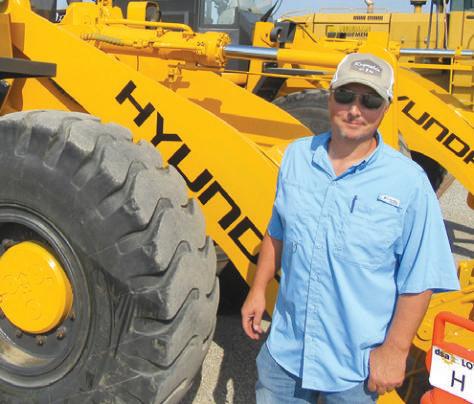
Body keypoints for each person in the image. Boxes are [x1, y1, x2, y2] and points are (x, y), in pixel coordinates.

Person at [241, 53, 460, 403]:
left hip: (354, 366)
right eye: (345, 96)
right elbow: (278, 230)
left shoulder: (408, 183)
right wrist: (257, 289)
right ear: (330, 96)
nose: (355, 109)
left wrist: (395, 351)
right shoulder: (296, 158)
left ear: (385, 108)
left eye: (370, 100)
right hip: (286, 350)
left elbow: (421, 275)